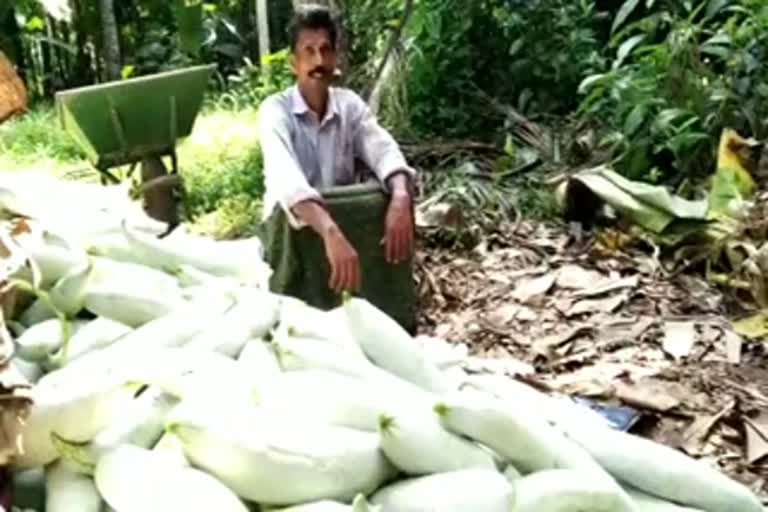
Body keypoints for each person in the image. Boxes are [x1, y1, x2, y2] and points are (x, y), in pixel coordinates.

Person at [257, 4, 417, 295]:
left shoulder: (349, 105)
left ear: (336, 56)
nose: (319, 60)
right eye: (309, 51)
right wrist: (330, 231)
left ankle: (388, 304)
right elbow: (285, 179)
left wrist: (401, 197)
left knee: (389, 194)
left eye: (326, 50)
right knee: (296, 218)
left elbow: (382, 149)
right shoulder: (275, 111)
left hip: (338, 223)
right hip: (295, 230)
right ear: (294, 63)